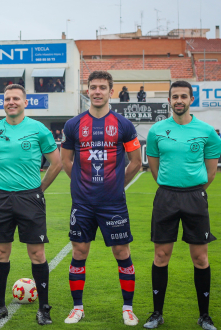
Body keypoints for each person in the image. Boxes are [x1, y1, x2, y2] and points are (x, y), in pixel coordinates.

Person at [60, 71, 142, 326]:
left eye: (102, 87)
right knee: (79, 251)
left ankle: (127, 308)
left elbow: (136, 163)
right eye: (93, 87)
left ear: (111, 92)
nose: (97, 91)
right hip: (82, 203)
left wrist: (117, 185)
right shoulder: (73, 125)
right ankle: (77, 307)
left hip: (113, 203)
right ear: (88, 90)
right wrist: (80, 184)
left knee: (121, 251)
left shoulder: (124, 125)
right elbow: (65, 160)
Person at [0, 84, 63, 325]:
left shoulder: (39, 130)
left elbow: (56, 163)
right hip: (2, 199)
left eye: (16, 98)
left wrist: (40, 188)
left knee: (37, 253)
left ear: (26, 102)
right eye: (7, 99)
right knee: (0, 252)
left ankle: (44, 309)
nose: (11, 102)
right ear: (3, 103)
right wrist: (1, 183)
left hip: (30, 199)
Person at [144, 80, 221, 330]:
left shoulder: (208, 132)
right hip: (166, 196)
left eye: (183, 96)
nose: (179, 100)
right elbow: (154, 169)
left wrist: (193, 192)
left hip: (194, 198)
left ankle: (204, 316)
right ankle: (157, 313)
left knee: (200, 258)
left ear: (191, 100)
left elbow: (210, 173)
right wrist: (171, 188)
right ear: (169, 100)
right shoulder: (156, 131)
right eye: (174, 96)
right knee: (161, 255)